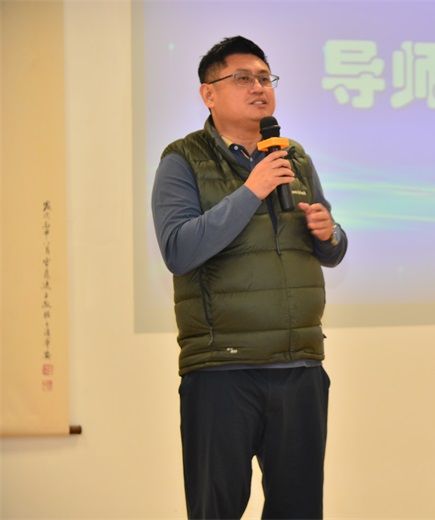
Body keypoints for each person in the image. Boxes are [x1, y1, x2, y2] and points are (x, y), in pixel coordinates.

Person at [151, 35, 347, 520]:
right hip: (222, 369)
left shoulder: (292, 156)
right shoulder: (182, 159)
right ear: (209, 93)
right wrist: (251, 190)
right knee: (216, 508)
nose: (259, 87)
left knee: (299, 509)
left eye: (265, 78)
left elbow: (331, 248)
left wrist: (330, 234)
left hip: (299, 365)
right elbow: (179, 250)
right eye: (243, 78)